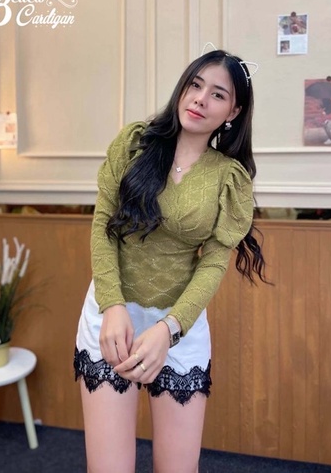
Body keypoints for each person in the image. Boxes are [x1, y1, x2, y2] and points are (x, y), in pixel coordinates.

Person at [74, 48, 268, 473]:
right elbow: (103, 225)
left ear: (233, 111)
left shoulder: (229, 178)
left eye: (218, 94)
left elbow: (213, 263)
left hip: (179, 325)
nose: (200, 99)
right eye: (195, 85)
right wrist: (112, 306)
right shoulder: (135, 144)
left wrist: (170, 328)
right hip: (110, 314)